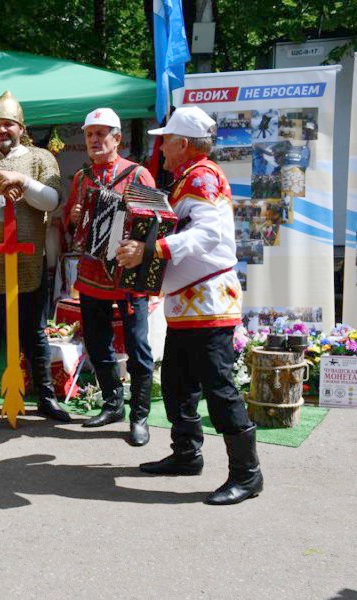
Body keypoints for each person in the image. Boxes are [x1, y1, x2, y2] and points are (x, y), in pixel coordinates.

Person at [117, 106, 263, 505]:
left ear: (182, 143)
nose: (160, 148)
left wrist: (153, 249)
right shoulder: (190, 176)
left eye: (165, 140)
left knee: (218, 388)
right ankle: (186, 454)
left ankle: (247, 476)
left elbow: (209, 235)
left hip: (208, 303)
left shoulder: (201, 176)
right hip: (190, 303)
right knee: (179, 383)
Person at [0, 91, 71, 423]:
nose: (1, 131)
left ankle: (45, 398)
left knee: (34, 336)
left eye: (7, 124)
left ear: (21, 127)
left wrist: (22, 180)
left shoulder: (40, 158)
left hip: (28, 262)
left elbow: (52, 200)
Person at [62, 108, 156, 446]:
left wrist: (131, 223)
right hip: (91, 275)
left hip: (127, 275)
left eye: (102, 134)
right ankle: (113, 405)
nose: (95, 140)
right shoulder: (82, 177)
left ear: (117, 138)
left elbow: (154, 227)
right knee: (97, 343)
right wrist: (73, 217)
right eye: (90, 134)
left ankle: (140, 416)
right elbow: (70, 228)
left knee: (137, 347)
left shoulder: (138, 174)